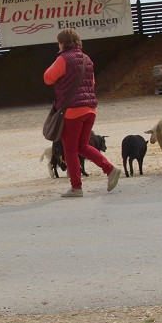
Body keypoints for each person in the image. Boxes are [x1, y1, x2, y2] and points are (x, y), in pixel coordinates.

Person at [43, 29, 121, 198]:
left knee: (70, 150)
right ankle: (110, 169)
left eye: (59, 43)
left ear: (62, 43)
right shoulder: (87, 59)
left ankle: (76, 188)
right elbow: (91, 82)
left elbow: (48, 78)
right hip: (90, 109)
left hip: (72, 111)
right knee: (83, 146)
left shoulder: (63, 58)